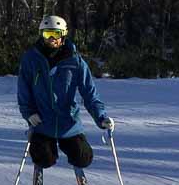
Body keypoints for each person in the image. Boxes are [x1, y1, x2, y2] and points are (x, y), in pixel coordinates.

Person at [17, 15, 114, 171]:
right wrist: (29, 113)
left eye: (55, 34)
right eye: (47, 34)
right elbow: (24, 90)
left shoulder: (75, 62)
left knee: (83, 158)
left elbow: (89, 93)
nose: (51, 39)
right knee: (44, 158)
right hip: (42, 123)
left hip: (68, 124)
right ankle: (41, 145)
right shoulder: (31, 60)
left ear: (63, 35)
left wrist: (101, 117)